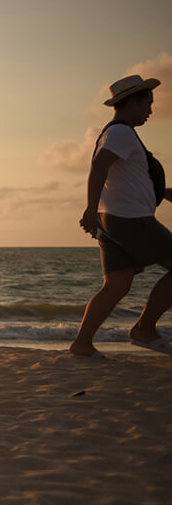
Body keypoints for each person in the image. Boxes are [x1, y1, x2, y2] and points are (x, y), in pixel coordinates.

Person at [70, 74, 172, 357]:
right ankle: (144, 328)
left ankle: (82, 344)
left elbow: (126, 177)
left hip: (111, 218)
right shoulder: (121, 132)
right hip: (130, 219)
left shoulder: (114, 133)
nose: (151, 111)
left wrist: (163, 192)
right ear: (132, 102)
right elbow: (99, 167)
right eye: (147, 104)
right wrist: (89, 209)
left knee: (117, 284)